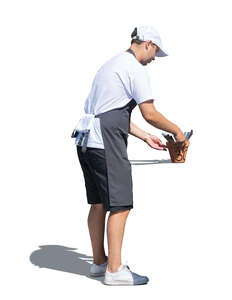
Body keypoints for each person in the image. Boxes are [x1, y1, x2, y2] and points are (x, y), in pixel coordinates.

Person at [72, 25, 190, 286]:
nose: (153, 60)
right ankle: (115, 270)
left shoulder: (112, 64)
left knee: (99, 203)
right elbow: (150, 114)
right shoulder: (135, 69)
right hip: (106, 142)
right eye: (155, 53)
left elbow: (110, 111)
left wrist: (145, 137)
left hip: (86, 140)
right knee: (121, 204)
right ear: (148, 43)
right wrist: (178, 133)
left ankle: (99, 262)